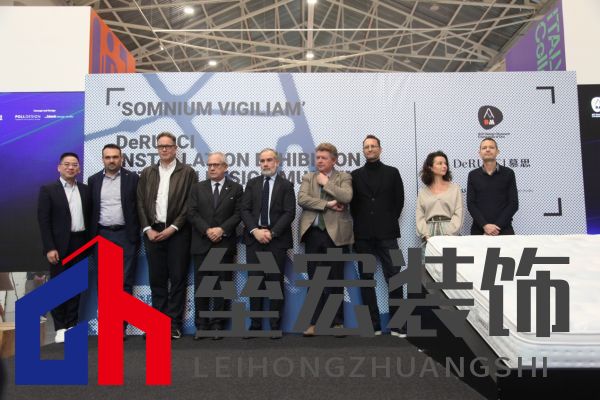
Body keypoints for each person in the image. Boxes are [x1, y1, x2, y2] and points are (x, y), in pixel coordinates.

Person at [137, 132, 198, 339]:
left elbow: (190, 204)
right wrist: (147, 228)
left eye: (168, 146)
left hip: (178, 233)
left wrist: (173, 227)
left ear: (175, 148)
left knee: (178, 280)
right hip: (153, 233)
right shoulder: (148, 172)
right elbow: (140, 202)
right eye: (161, 146)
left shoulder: (188, 172)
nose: (164, 149)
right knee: (157, 280)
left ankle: (173, 325)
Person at [350, 135, 405, 337]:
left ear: (380, 149)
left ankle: (398, 325)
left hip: (389, 234)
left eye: (373, 146)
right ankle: (373, 325)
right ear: (363, 151)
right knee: (366, 280)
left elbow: (399, 201)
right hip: (363, 235)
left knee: (396, 277)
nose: (370, 149)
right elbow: (353, 206)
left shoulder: (393, 172)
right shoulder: (355, 175)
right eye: (367, 147)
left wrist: (386, 220)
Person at [298, 143, 353, 337]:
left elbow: (347, 196)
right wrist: (328, 203)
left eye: (324, 158)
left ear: (333, 160)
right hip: (313, 234)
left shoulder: (343, 177)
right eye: (318, 157)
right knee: (314, 280)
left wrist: (326, 183)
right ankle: (313, 323)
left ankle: (337, 323)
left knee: (336, 280)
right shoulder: (308, 177)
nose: (319, 161)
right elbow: (302, 199)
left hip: (335, 236)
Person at [187, 152, 243, 340]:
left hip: (224, 243)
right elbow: (191, 213)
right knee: (202, 286)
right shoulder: (197, 188)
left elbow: (238, 214)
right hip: (202, 243)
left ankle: (218, 324)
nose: (212, 168)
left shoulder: (236, 188)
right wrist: (207, 230)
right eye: (209, 165)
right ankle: (201, 324)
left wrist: (222, 229)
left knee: (222, 285)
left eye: (216, 165)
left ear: (225, 167)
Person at [241, 148, 295, 338]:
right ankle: (255, 325)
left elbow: (289, 212)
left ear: (277, 162)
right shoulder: (252, 183)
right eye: (262, 161)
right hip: (254, 240)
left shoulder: (286, 185)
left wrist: (272, 233)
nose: (265, 164)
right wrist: (255, 231)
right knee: (255, 283)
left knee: (274, 284)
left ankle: (274, 326)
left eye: (269, 160)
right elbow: (244, 210)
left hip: (276, 241)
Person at [37, 152, 90, 343]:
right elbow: (43, 221)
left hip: (81, 242)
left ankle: (71, 324)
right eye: (66, 164)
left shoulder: (85, 190)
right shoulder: (48, 190)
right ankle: (60, 327)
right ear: (59, 167)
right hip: (58, 246)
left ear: (79, 169)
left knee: (76, 285)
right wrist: (49, 247)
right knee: (58, 287)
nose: (70, 167)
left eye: (74, 164)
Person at [88, 144, 140, 334]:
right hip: (102, 235)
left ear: (121, 159)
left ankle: (120, 327)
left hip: (126, 235)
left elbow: (139, 206)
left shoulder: (133, 178)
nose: (112, 160)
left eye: (115, 157)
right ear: (103, 159)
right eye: (108, 157)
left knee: (125, 282)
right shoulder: (93, 180)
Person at [467, 137, 518, 235]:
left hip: (504, 229)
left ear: (497, 151)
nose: (487, 150)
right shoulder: (473, 175)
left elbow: (513, 203)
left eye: (491, 147)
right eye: (484, 148)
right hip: (479, 230)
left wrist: (497, 226)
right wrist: (485, 225)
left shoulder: (508, 173)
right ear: (479, 153)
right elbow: (471, 204)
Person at [416, 151, 463, 242]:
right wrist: (426, 235)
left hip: (450, 234)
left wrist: (449, 233)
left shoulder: (455, 189)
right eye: (440, 163)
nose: (444, 166)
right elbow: (420, 216)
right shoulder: (423, 191)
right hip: (429, 234)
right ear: (430, 167)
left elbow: (458, 212)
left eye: (445, 163)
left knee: (449, 252)